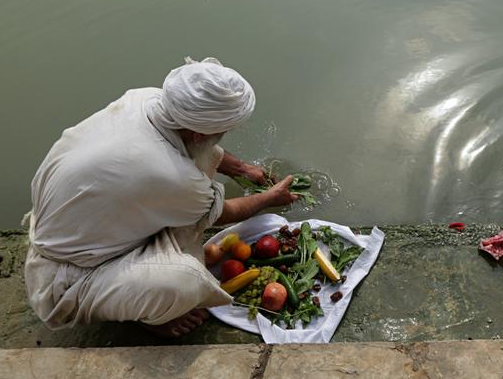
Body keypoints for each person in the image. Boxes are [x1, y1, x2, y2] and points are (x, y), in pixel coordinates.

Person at [25, 57, 299, 337]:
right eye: (223, 130)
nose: (225, 135)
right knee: (186, 282)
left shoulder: (147, 98)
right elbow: (224, 212)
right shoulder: (171, 176)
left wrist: (243, 169)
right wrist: (269, 197)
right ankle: (152, 317)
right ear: (197, 131)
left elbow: (199, 147)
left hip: (72, 223)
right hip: (66, 278)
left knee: (200, 168)